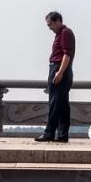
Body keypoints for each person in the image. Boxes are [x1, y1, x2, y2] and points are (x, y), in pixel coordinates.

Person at [36, 11, 75, 143]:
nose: (49, 28)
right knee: (62, 104)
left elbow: (67, 54)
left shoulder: (65, 33)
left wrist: (60, 72)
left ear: (58, 20)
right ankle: (62, 135)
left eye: (50, 24)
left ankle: (49, 133)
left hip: (59, 69)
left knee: (55, 103)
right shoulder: (61, 33)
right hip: (60, 69)